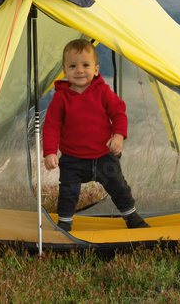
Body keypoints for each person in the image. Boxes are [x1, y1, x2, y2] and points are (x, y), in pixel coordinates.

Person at [42, 39, 150, 232]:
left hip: (103, 156)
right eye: (73, 66)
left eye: (86, 65)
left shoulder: (103, 92)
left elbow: (118, 113)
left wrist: (118, 136)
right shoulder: (61, 97)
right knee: (68, 192)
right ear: (65, 71)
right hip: (72, 158)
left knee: (119, 187)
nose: (80, 70)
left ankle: (131, 216)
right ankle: (65, 223)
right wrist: (50, 152)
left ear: (96, 69)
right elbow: (51, 126)